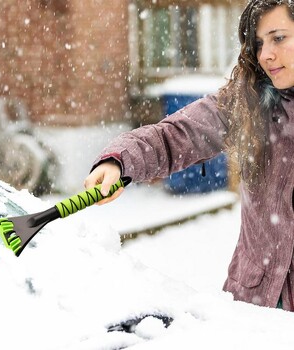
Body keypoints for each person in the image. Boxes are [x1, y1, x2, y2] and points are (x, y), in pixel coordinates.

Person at [84, 0, 294, 311]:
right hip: (254, 305)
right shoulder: (248, 101)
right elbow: (175, 135)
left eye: (278, 38)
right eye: (259, 43)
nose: (266, 54)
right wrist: (119, 161)